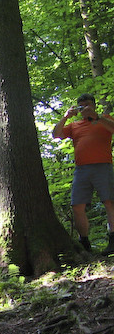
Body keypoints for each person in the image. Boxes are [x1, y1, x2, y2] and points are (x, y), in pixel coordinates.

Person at [52, 93, 114, 254]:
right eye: (81, 106)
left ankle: (113, 239)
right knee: (77, 205)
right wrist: (65, 117)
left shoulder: (105, 118)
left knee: (109, 202)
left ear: (93, 105)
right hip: (82, 169)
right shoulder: (74, 125)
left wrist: (97, 117)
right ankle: (84, 243)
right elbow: (56, 134)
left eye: (87, 105)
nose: (85, 108)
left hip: (103, 166)